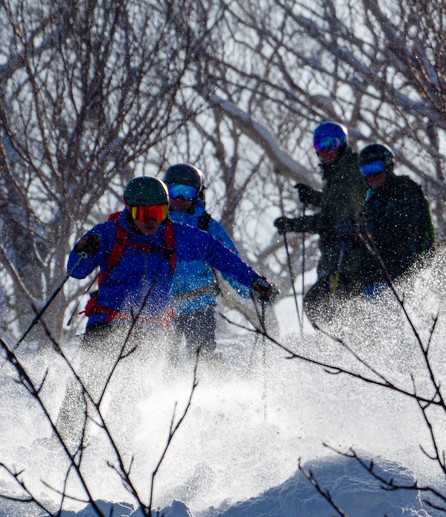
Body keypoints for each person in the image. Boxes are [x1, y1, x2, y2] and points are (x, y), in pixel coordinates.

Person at [57, 175, 276, 443]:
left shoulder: (174, 235)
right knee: (85, 384)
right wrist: (82, 250)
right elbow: (76, 272)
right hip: (108, 321)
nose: (151, 221)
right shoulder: (108, 233)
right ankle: (65, 442)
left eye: (159, 212)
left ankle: (119, 449)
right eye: (144, 213)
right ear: (129, 209)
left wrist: (253, 281)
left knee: (129, 394)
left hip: (148, 329)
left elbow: (218, 253)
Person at [273, 121, 369, 331]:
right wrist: (315, 198)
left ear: (342, 144)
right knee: (335, 310)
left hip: (349, 261)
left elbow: (330, 220)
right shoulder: (340, 174)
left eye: (330, 144)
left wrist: (293, 224)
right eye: (319, 145)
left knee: (318, 305)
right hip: (339, 260)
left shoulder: (348, 175)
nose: (324, 151)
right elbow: (336, 205)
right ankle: (345, 348)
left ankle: (342, 349)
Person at [162, 163, 257, 355]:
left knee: (202, 354)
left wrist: (252, 289)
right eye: (175, 191)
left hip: (199, 304)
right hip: (164, 307)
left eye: (186, 193)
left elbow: (230, 262)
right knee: (162, 361)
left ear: (197, 194)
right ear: (165, 192)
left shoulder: (206, 226)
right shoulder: (154, 225)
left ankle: (208, 382)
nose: (180, 198)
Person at [357, 143, 434, 300]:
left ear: (388, 166)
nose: (371, 177)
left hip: (403, 269)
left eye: (375, 169)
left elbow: (402, 231)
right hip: (378, 274)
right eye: (366, 171)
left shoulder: (404, 190)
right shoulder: (372, 199)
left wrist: (368, 232)